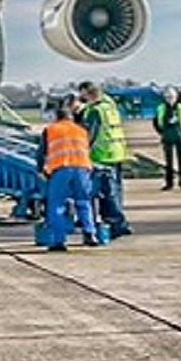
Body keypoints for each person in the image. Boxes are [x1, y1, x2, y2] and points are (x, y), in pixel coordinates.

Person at [35, 102, 99, 251]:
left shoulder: (51, 130)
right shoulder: (81, 130)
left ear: (57, 118)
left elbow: (41, 152)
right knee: (83, 201)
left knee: (57, 204)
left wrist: (40, 170)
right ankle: (90, 233)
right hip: (82, 168)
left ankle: (59, 240)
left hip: (61, 169)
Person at [77, 82, 131, 237]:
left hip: (102, 155)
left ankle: (115, 224)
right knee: (116, 191)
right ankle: (120, 222)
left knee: (107, 193)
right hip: (117, 152)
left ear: (88, 93)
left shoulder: (95, 111)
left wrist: (82, 153)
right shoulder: (110, 106)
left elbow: (89, 135)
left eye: (83, 94)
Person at [152, 86, 181, 191]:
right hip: (167, 137)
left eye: (171, 97)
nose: (170, 99)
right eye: (167, 97)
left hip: (179, 136)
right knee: (169, 162)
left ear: (176, 97)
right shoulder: (161, 108)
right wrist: (162, 133)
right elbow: (156, 122)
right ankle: (169, 183)